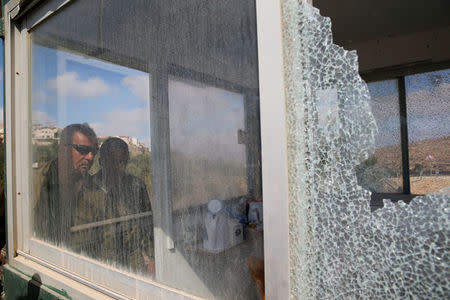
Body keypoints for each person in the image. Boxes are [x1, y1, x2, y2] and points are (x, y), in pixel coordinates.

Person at [79, 137, 154, 275]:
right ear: (102, 162)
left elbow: (148, 224)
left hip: (133, 261)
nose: (119, 166)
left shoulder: (136, 186)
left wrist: (153, 259)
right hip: (100, 263)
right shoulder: (88, 189)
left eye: (123, 162)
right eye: (113, 161)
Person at [34, 123, 98, 247]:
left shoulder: (96, 194)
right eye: (83, 150)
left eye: (94, 151)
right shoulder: (30, 184)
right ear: (62, 150)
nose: (90, 157)